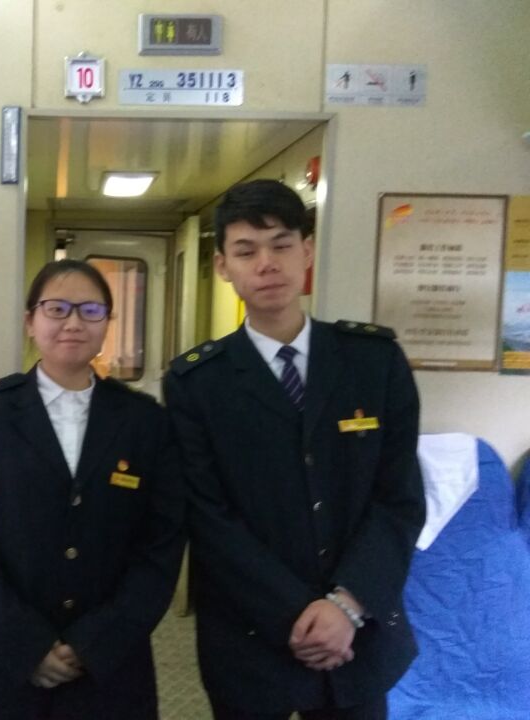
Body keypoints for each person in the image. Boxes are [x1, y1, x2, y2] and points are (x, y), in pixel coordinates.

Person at [163, 179, 425, 720]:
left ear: (306, 252)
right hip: (250, 637)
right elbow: (208, 516)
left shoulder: (373, 361)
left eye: (281, 245)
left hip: (358, 635)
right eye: (246, 251)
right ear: (223, 266)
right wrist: (298, 613)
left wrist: (345, 607)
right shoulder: (197, 382)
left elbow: (398, 499)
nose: (266, 264)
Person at [0, 259, 185, 720]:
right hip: (4, 665)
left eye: (91, 310)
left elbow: (160, 544)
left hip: (109, 667)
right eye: (57, 308)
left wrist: (95, 642)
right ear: (31, 321)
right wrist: (23, 644)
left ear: (107, 323)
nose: (73, 322)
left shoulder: (145, 422)